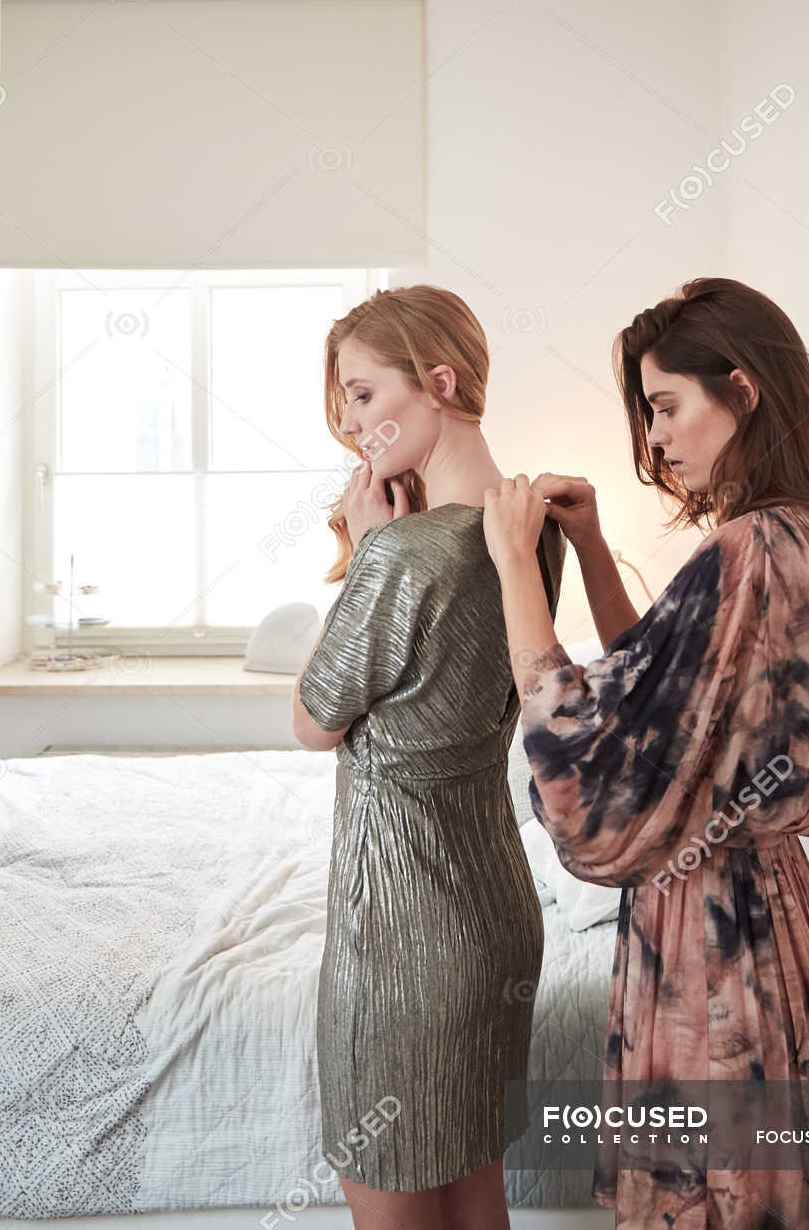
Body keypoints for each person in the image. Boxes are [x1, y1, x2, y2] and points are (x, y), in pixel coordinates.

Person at [482, 277, 809, 1229]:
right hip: (779, 925)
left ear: (741, 392)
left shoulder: (746, 549)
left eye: (666, 407)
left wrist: (511, 571)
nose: (655, 439)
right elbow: (666, 702)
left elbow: (595, 765)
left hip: (715, 946)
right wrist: (593, 551)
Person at [293, 284, 567, 1230]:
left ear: (439, 382)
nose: (351, 423)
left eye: (364, 394)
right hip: (494, 915)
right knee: (474, 1197)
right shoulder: (533, 529)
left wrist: (369, 548)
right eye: (344, 404)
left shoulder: (404, 553)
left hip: (401, 932)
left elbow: (313, 718)